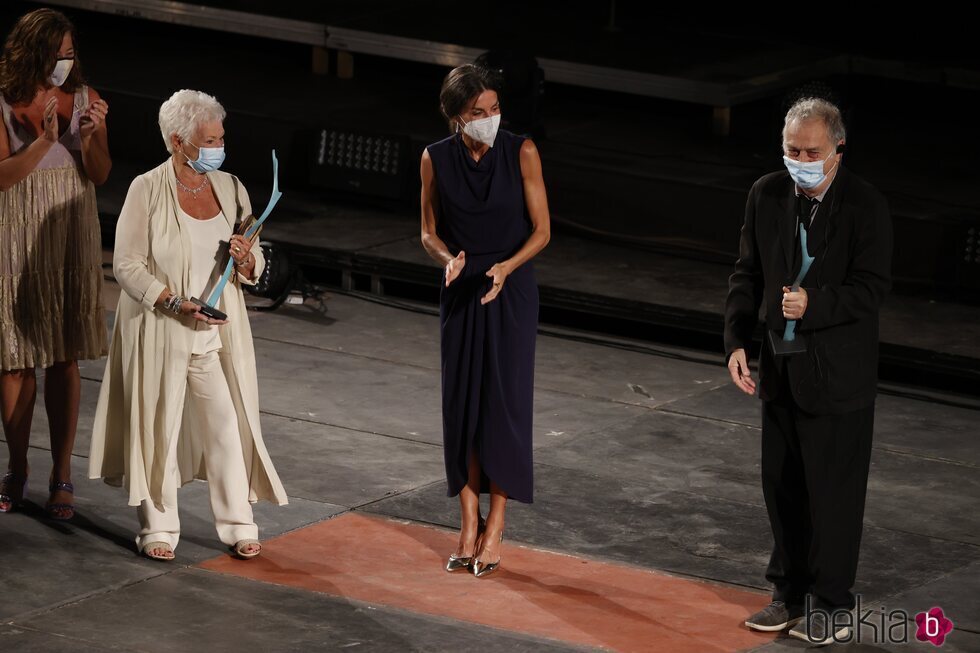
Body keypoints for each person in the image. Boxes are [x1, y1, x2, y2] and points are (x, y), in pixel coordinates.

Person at [89, 89, 287, 561]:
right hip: (163, 330)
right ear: (179, 141)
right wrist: (175, 302)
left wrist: (247, 260)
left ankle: (239, 522)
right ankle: (158, 527)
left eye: (222, 137)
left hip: (214, 333)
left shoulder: (230, 187)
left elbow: (254, 257)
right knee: (160, 426)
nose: (221, 147)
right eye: (210, 140)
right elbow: (128, 265)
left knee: (225, 425)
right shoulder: (146, 189)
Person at [725, 97, 892, 646]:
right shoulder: (767, 193)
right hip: (781, 371)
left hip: (838, 380)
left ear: (837, 151)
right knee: (783, 490)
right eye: (791, 149)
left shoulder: (864, 205)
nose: (800, 159)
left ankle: (833, 605)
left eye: (811, 151)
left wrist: (813, 305)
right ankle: (788, 596)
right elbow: (747, 272)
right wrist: (735, 341)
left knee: (833, 497)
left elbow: (871, 291)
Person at [420, 64, 551, 578]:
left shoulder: (522, 151)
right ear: (456, 116)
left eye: (495, 110)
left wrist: (506, 267)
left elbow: (542, 231)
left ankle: (495, 527)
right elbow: (428, 230)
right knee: (463, 408)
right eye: (478, 113)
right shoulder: (434, 159)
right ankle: (466, 525)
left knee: (503, 405)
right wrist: (446, 258)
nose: (489, 120)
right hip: (461, 287)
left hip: (509, 285)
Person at [0, 8, 111, 519]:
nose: (66, 64)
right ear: (34, 53)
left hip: (69, 231)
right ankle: (17, 468)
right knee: (17, 359)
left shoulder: (83, 99)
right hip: (19, 232)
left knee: (64, 356)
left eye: (70, 55)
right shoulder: (4, 100)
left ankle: (61, 474)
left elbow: (101, 173)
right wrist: (44, 139)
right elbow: (2, 178)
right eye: (58, 54)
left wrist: (90, 137)